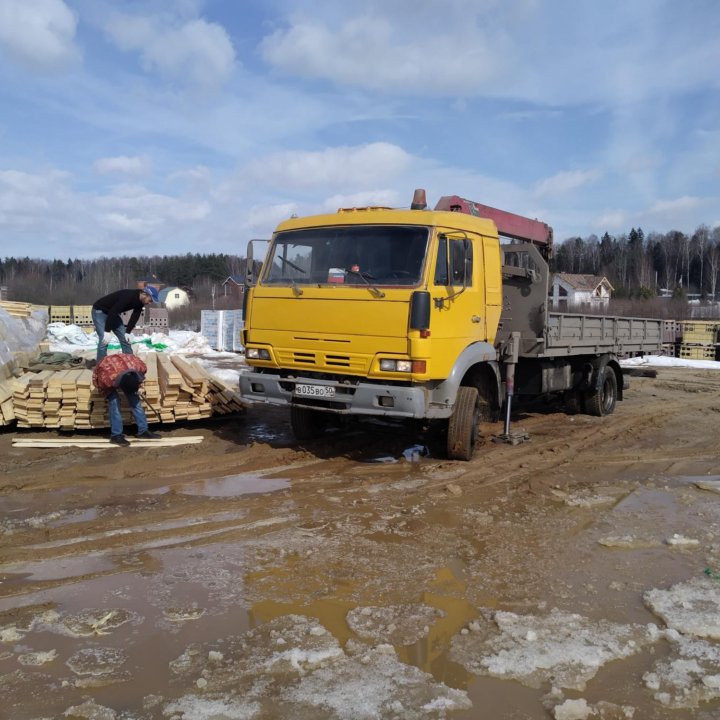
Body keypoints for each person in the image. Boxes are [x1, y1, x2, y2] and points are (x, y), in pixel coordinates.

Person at [92, 353, 161, 446]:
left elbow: (139, 378)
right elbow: (100, 385)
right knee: (114, 402)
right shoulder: (106, 377)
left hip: (126, 372)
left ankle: (143, 431)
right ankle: (116, 436)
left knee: (135, 399)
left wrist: (138, 386)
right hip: (108, 374)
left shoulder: (140, 367)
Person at [92, 286, 159, 360]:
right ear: (145, 294)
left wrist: (128, 332)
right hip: (99, 311)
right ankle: (101, 367)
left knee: (125, 338)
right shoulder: (128, 296)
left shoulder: (140, 302)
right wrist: (107, 331)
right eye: (150, 300)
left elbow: (135, 316)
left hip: (113, 313)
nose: (149, 303)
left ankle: (130, 362)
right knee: (104, 339)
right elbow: (113, 312)